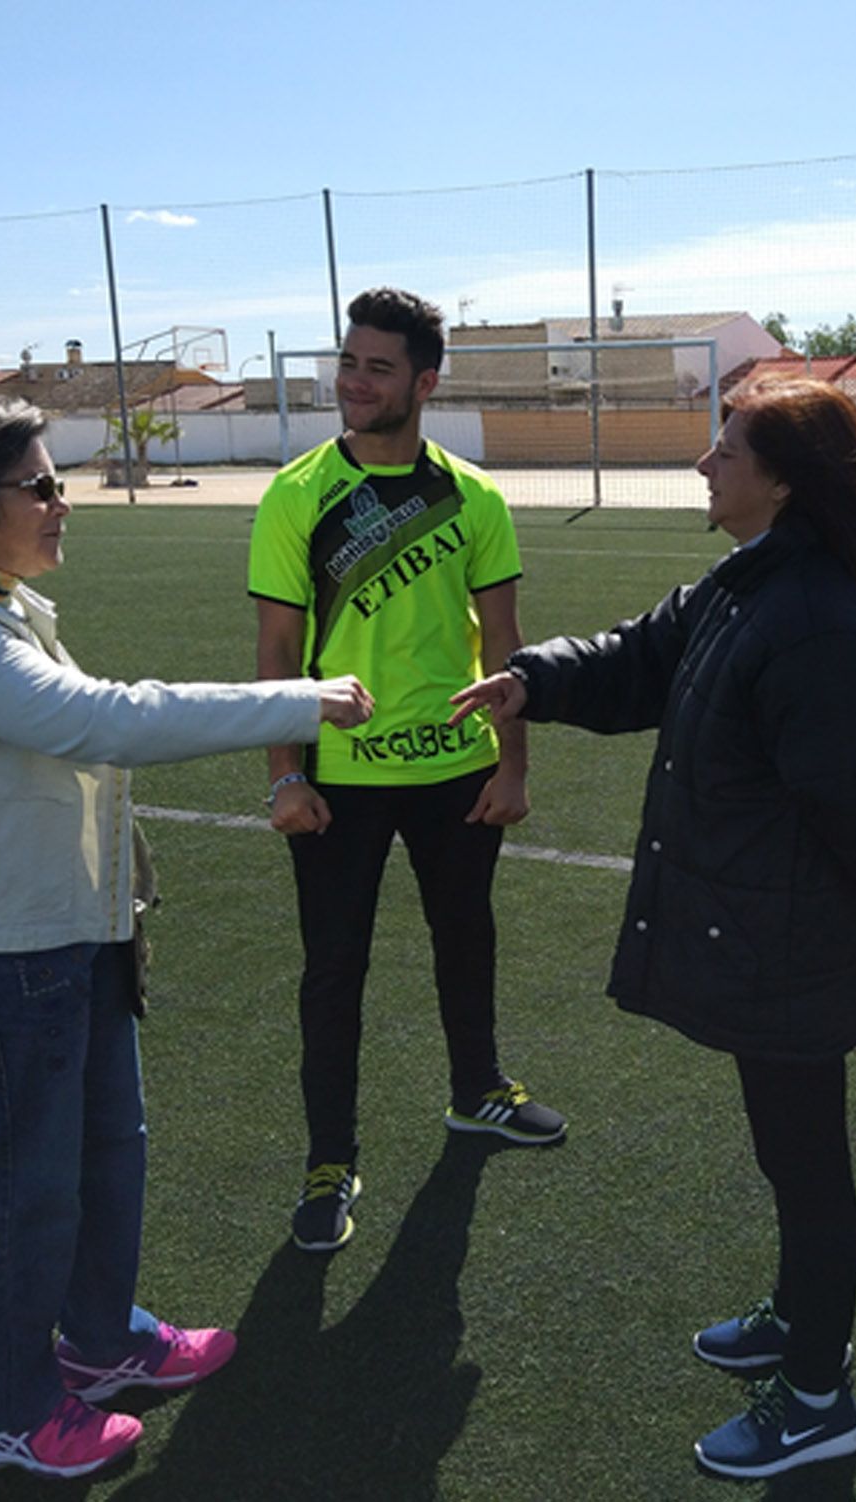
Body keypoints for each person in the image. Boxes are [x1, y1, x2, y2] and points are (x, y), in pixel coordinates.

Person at [0, 387, 375, 1479]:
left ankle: (98, 1344)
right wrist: (294, 702)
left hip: (68, 938)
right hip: (0, 957)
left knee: (105, 1155)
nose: (62, 501)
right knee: (18, 1187)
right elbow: (101, 719)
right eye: (38, 484)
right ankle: (1, 1408)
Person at [449, 376, 856, 1478]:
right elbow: (641, 657)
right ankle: (797, 1318)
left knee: (812, 1172)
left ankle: (817, 1392)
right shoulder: (750, 581)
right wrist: (532, 677)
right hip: (764, 939)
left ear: (780, 478)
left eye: (725, 450)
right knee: (787, 1156)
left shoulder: (808, 616)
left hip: (790, 946)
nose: (705, 465)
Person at [249, 287, 564, 1256]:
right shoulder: (297, 494)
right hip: (337, 776)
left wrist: (511, 769)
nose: (353, 380)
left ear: (424, 382)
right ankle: (329, 1159)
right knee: (333, 969)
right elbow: (275, 652)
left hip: (455, 769)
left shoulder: (474, 498)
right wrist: (283, 778)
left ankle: (478, 1091)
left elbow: (505, 646)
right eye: (348, 362)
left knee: (465, 938)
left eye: (377, 367)